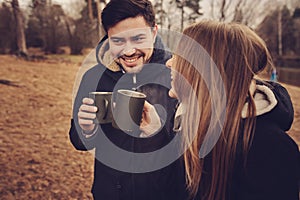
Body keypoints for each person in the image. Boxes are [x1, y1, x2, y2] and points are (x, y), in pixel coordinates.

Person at [142, 20, 300, 200]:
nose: (170, 63)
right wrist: (156, 137)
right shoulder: (189, 125)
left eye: (180, 57)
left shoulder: (271, 149)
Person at [69, 0, 177, 199]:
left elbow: (194, 151)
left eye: (138, 39)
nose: (128, 52)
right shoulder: (94, 77)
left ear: (154, 32)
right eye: (118, 41)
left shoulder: (176, 75)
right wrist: (86, 129)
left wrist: (157, 133)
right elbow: (79, 141)